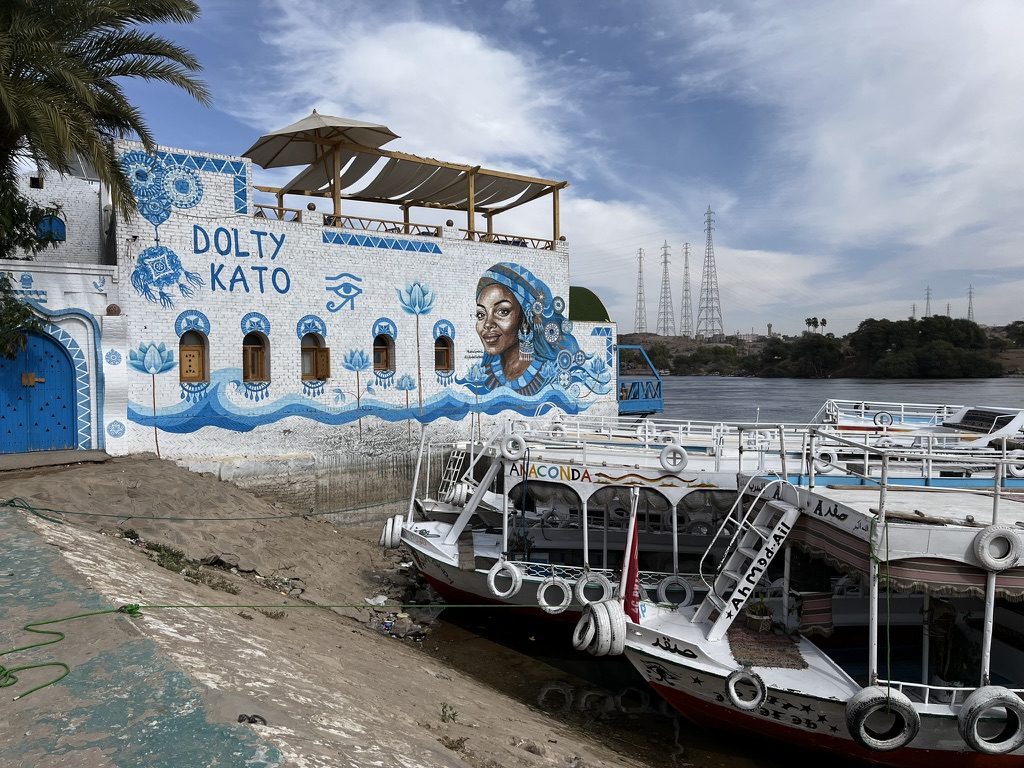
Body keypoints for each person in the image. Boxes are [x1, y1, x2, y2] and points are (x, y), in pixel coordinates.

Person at [474, 262, 577, 395]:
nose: (487, 324)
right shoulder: (484, 373)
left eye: (503, 311)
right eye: (481, 314)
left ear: (525, 319)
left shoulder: (551, 371)